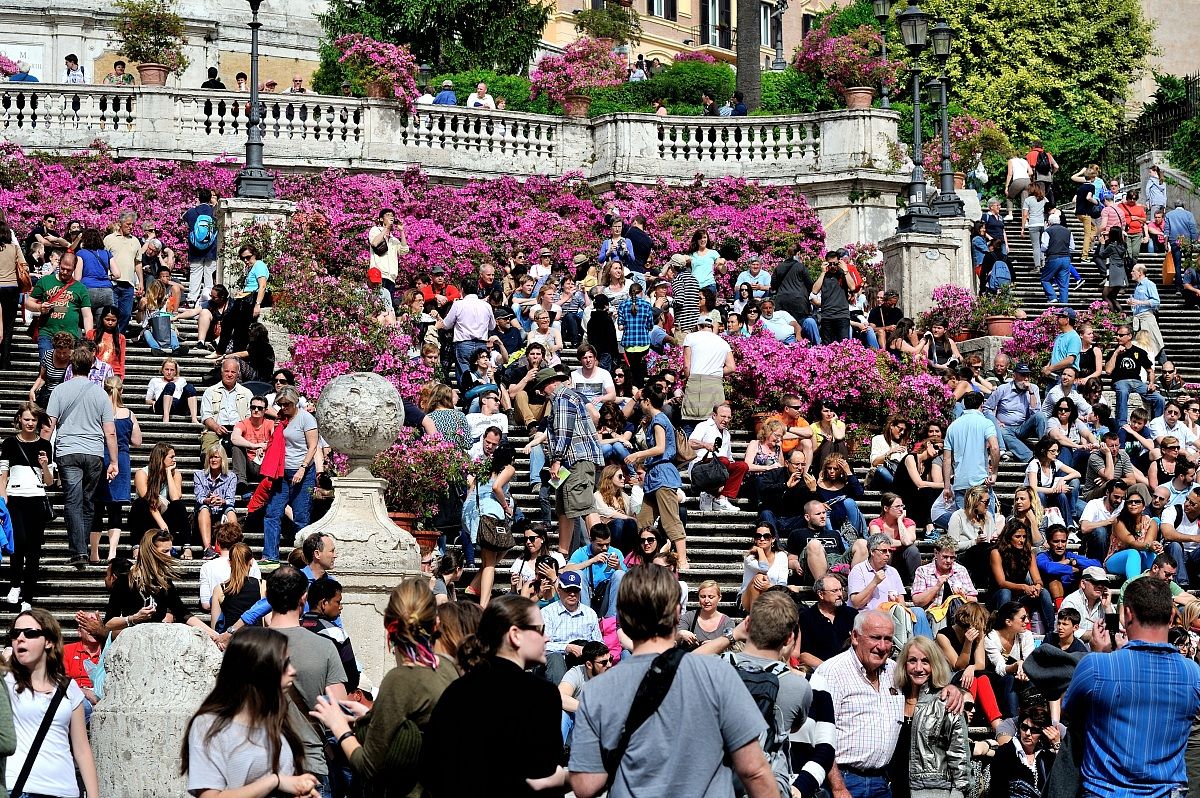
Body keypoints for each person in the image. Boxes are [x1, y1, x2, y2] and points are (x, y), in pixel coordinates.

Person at [568, 565, 779, 798]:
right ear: (678, 614)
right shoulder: (719, 674)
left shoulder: (596, 689)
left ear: (623, 620)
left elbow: (585, 785)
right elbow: (754, 771)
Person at [309, 577, 458, 797]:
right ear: (436, 624)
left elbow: (368, 766)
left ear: (389, 627)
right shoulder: (447, 668)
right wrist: (370, 714)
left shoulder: (400, 680)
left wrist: (338, 725)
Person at [1064, 576, 1200, 796]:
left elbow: (1071, 713)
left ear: (1127, 613)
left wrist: (1100, 654)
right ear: (1173, 615)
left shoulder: (1095, 666)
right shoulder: (1193, 674)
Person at [423, 595, 566, 796]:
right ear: (515, 634)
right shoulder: (541, 694)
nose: (547, 637)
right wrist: (562, 778)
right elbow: (544, 771)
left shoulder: (456, 690)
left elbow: (432, 766)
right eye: (540, 630)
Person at [814, 610, 963, 798]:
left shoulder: (894, 671)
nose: (882, 646)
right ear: (855, 637)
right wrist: (838, 787)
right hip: (845, 781)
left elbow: (924, 680)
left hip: (883, 783)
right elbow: (819, 734)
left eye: (888, 639)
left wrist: (951, 687)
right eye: (875, 638)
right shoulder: (831, 672)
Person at [181, 626, 320, 798]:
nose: (292, 671)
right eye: (284, 664)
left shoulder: (273, 717)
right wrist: (275, 781)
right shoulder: (209, 725)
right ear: (259, 668)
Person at [6, 608, 96, 798]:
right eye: (15, 634)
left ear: (48, 641)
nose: (20, 638)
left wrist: (94, 795)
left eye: (30, 633)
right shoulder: (5, 683)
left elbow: (81, 749)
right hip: (20, 788)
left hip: (64, 790)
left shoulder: (69, 688)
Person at [47, 345, 118, 570]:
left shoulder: (59, 390)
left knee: (73, 500)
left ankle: (78, 550)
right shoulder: (101, 394)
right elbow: (110, 431)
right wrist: (114, 461)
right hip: (94, 452)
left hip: (68, 450)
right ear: (90, 366)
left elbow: (49, 426)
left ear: (71, 365)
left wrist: (41, 453)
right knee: (88, 502)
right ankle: (82, 549)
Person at [889, 636, 971, 798]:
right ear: (904, 665)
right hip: (891, 789)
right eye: (912, 661)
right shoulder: (893, 699)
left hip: (932, 791)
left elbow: (959, 755)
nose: (919, 668)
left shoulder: (946, 702)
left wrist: (959, 792)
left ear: (934, 665)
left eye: (925, 661)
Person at [625, 384, 689, 569]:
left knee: (670, 519)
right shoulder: (653, 421)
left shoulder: (660, 420)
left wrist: (638, 455)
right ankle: (645, 558)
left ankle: (682, 559)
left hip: (663, 475)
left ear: (647, 401)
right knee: (643, 521)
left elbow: (661, 448)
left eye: (641, 401)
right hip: (654, 477)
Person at [0, 403, 55, 610]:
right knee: (18, 541)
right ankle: (15, 583)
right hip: (14, 498)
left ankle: (27, 598)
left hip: (36, 498)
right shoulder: (10, 443)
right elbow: (2, 474)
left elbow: (49, 482)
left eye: (34, 420)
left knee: (34, 549)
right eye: (27, 419)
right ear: (19, 420)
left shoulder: (45, 446)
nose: (30, 423)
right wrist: (2, 497)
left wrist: (44, 464)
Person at [263, 387, 320, 564]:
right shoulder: (281, 419)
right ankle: (270, 555)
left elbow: (313, 446)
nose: (283, 407)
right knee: (272, 513)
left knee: (301, 516)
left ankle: (302, 558)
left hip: (302, 472)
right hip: (282, 472)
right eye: (280, 404)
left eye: (286, 404)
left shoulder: (306, 418)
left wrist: (303, 468)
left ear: (294, 402)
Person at [92, 376, 138, 565]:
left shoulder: (98, 412)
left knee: (97, 507)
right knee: (115, 508)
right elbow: (137, 441)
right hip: (121, 459)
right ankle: (112, 552)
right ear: (122, 391)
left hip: (100, 458)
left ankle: (94, 552)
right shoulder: (128, 414)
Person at [988, 519, 1055, 633]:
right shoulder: (996, 553)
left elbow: (1037, 579)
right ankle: (1003, 630)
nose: (1022, 540)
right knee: (1005, 592)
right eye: (1018, 536)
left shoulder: (1028, 554)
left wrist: (1038, 586)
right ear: (1009, 537)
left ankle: (1051, 632)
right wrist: (1024, 587)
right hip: (999, 596)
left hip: (1020, 597)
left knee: (1044, 592)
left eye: (1024, 537)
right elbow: (1001, 582)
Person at [942, 391, 999, 510]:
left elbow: (947, 459)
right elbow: (994, 447)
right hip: (980, 481)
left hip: (960, 483)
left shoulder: (952, 426)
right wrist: (994, 473)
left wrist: (947, 487)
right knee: (986, 523)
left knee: (964, 525)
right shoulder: (986, 423)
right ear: (981, 405)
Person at [987, 703, 1058, 797]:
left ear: (1042, 732)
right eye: (1024, 728)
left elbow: (1061, 782)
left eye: (1034, 730)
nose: (1027, 733)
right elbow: (997, 792)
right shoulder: (1004, 754)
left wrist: (1056, 745)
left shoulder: (1047, 757)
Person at [689, 403, 748, 512]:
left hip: (720, 467)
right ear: (714, 415)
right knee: (723, 461)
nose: (726, 420)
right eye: (723, 416)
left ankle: (720, 499)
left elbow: (729, 457)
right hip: (701, 468)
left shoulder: (726, 434)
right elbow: (690, 443)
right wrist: (705, 445)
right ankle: (708, 494)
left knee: (742, 466)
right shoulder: (704, 426)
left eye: (729, 417)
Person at [1105, 324, 1165, 429]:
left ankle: (1158, 424)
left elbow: (1150, 370)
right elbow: (1108, 371)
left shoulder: (1139, 352)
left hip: (1137, 382)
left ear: (1130, 336)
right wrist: (1116, 353)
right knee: (1123, 391)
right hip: (1120, 381)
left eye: (1121, 335)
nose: (1118, 337)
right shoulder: (1112, 352)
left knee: (1159, 398)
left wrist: (1151, 383)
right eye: (1117, 335)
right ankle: (1122, 424)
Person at [983, 600, 1035, 719]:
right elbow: (1000, 668)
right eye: (1023, 618)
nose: (1027, 621)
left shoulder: (1026, 635)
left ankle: (1034, 721)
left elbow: (1029, 661)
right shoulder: (991, 638)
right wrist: (1016, 666)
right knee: (1010, 680)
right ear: (1008, 622)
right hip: (999, 683)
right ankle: (1013, 721)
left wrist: (1023, 670)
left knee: (1032, 679)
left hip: (1021, 677)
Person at [983, 363, 1044, 462]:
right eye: (1023, 375)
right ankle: (1030, 458)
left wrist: (1031, 393)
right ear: (1014, 376)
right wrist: (996, 421)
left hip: (1024, 426)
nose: (1026, 379)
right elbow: (987, 408)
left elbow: (1036, 412)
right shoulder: (1003, 389)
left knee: (1040, 416)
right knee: (1004, 433)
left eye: (1027, 375)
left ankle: (1044, 448)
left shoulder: (1033, 388)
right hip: (1006, 427)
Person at [1105, 482, 1162, 581]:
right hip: (1117, 560)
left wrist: (1155, 546)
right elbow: (1131, 543)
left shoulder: (1151, 522)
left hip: (1141, 558)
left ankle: (1162, 586)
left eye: (1137, 502)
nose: (1133, 504)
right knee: (1133, 552)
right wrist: (1149, 546)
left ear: (1144, 506)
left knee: (1151, 554)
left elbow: (1148, 543)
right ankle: (1134, 588)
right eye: (1130, 502)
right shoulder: (1119, 521)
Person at [210, 542, 264, 632]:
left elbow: (214, 625)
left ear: (229, 562)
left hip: (232, 640)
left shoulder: (220, 589)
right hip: (256, 639)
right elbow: (268, 621)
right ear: (251, 561)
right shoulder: (262, 585)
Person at [677, 579, 736, 648]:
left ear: (719, 598)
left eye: (711, 597)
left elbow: (731, 646)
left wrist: (715, 645)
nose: (706, 601)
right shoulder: (688, 617)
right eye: (703, 597)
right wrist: (681, 633)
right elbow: (674, 638)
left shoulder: (727, 623)